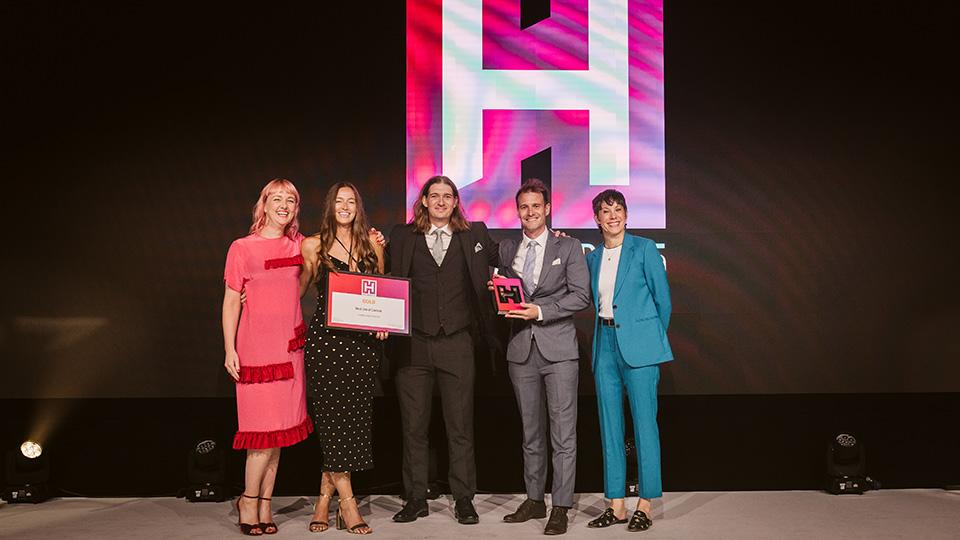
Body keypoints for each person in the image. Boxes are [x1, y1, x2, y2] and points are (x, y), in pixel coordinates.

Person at [387, 175, 500, 525]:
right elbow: (379, 270)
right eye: (433, 195)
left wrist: (555, 239)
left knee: (460, 427)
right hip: (414, 345)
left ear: (455, 202)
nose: (440, 201)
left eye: (447, 196)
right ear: (423, 200)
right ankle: (415, 498)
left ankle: (464, 498)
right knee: (413, 428)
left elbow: (510, 254)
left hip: (457, 342)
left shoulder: (475, 233)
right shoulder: (402, 235)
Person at [496, 179, 590, 535]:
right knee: (530, 433)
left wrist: (540, 311)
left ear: (547, 209)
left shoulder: (569, 246)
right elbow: (503, 287)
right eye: (524, 207)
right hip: (521, 350)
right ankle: (535, 499)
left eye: (536, 206)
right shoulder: (507, 249)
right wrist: (497, 291)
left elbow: (581, 295)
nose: (530, 212)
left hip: (559, 351)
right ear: (517, 211)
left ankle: (560, 506)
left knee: (563, 434)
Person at [223, 179, 314, 536]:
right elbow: (232, 301)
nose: (284, 205)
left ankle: (265, 505)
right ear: (264, 205)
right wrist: (229, 348)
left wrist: (374, 238)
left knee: (279, 436)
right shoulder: (242, 248)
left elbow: (305, 280)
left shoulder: (300, 244)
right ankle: (248, 501)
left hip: (288, 349)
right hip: (256, 349)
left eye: (290, 199)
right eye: (277, 199)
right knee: (261, 435)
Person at [300, 182, 387, 535]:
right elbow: (297, 288)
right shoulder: (313, 245)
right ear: (330, 206)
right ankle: (348, 504)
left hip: (363, 347)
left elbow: (381, 292)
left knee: (351, 422)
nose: (345, 206)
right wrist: (258, 293)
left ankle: (324, 499)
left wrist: (384, 323)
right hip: (325, 343)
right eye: (339, 201)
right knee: (331, 421)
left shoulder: (373, 244)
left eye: (351, 201)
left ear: (358, 208)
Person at [584, 189, 672, 532]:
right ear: (597, 219)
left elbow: (663, 302)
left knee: (645, 426)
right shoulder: (592, 257)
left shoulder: (645, 248)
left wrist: (649, 340)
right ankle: (617, 505)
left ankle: (645, 505)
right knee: (610, 427)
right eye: (606, 211)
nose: (613, 216)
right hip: (604, 345)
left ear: (626, 214)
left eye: (618, 209)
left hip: (640, 347)